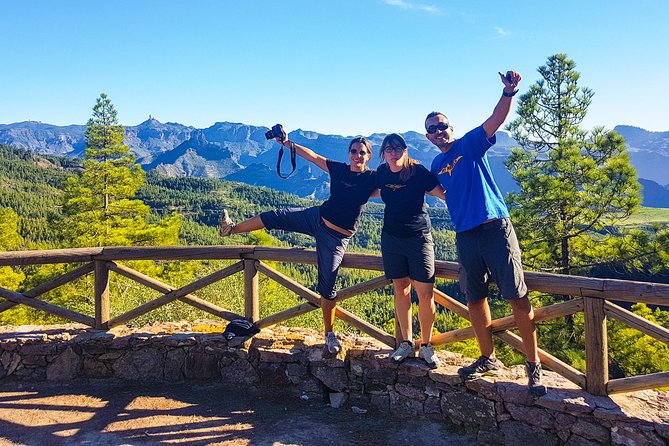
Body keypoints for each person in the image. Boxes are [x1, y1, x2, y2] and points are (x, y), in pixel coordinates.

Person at [426, 70, 547, 395]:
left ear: (451, 128)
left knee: (517, 297)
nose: (439, 131)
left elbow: (496, 119)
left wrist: (508, 93)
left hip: (495, 229)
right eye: (432, 129)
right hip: (466, 236)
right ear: (429, 137)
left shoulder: (470, 143)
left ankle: (533, 365)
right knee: (475, 299)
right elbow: (439, 191)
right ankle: (487, 357)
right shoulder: (437, 165)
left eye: (442, 125)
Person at [219, 129, 378, 355]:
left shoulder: (371, 179)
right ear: (349, 153)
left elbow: (394, 187)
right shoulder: (340, 169)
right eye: (353, 151)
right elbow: (312, 156)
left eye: (362, 152)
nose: (357, 155)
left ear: (369, 156)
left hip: (336, 237)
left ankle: (329, 334)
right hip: (316, 217)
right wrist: (286, 143)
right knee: (275, 216)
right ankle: (231, 229)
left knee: (328, 285)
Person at [376, 133, 445, 369]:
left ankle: (426, 345)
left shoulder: (418, 172)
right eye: (389, 149)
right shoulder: (382, 174)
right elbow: (363, 190)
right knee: (401, 290)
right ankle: (406, 342)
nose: (394, 153)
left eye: (398, 149)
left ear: (405, 151)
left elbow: (443, 194)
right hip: (391, 238)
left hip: (419, 238)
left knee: (425, 293)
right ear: (383, 153)